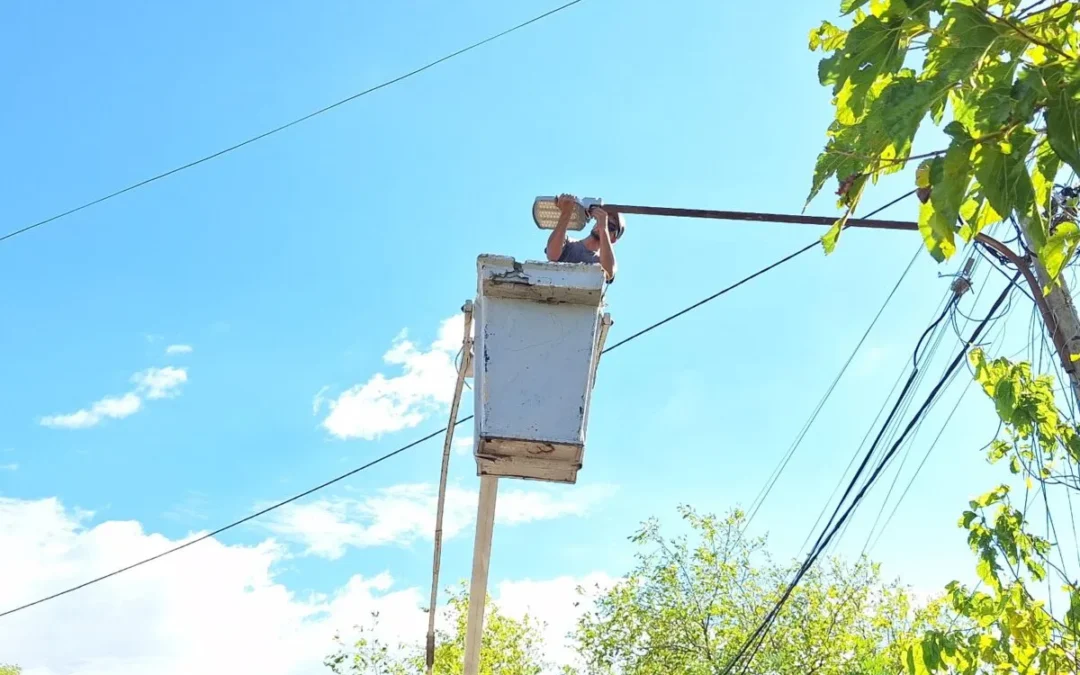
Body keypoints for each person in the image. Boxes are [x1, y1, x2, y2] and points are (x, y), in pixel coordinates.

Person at [545, 193, 623, 282]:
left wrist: (603, 228)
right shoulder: (568, 243)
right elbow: (552, 255)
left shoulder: (601, 262)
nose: (603, 224)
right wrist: (566, 212)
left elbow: (609, 272)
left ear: (613, 239)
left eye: (610, 226)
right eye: (601, 220)